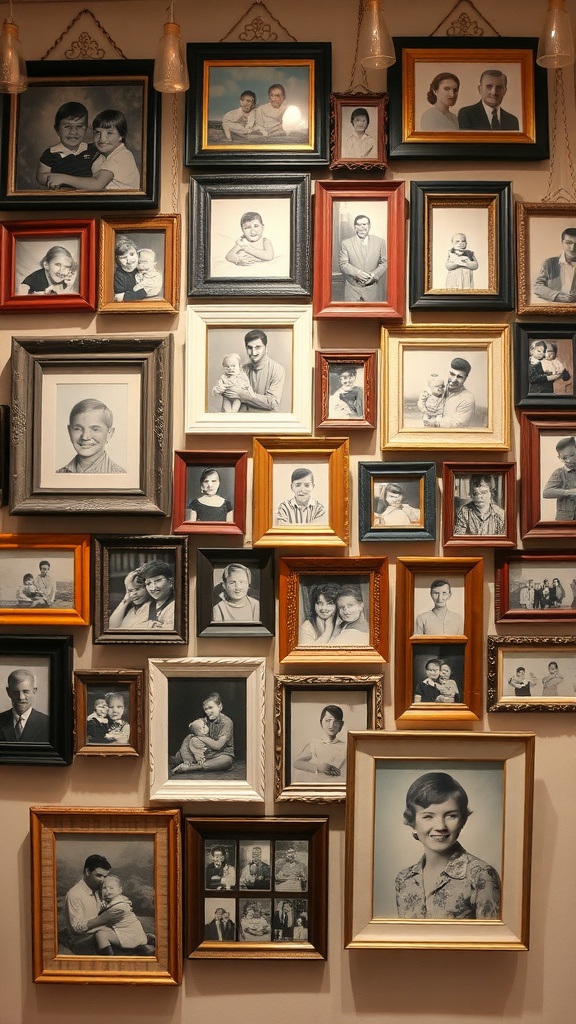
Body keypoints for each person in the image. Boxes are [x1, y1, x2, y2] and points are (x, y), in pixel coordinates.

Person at [395, 772, 501, 919]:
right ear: (412, 823)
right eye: (428, 816)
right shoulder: (404, 880)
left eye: (451, 815)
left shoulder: (480, 875)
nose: (440, 826)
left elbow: (492, 939)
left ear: (462, 821)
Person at [46, 109, 139, 191]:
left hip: (124, 207)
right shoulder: (105, 155)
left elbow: (97, 184)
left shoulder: (121, 156)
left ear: (121, 136)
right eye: (98, 133)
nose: (102, 139)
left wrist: (63, 178)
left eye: (109, 133)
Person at [63, 854, 124, 954]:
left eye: (105, 876)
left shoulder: (100, 889)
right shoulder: (74, 894)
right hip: (84, 941)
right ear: (87, 872)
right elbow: (76, 928)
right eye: (99, 875)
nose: (103, 880)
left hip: (102, 934)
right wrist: (103, 919)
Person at [219, 328, 285, 413]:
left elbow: (273, 403)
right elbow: (229, 394)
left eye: (258, 347)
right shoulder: (242, 369)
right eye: (249, 348)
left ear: (266, 348)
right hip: (243, 420)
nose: (253, 352)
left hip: (268, 421)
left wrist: (244, 395)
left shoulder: (277, 369)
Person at [36, 101, 99, 186]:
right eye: (67, 126)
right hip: (61, 195)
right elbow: (41, 176)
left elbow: (98, 177)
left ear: (86, 128)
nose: (73, 132)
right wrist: (52, 178)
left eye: (79, 126)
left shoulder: (92, 150)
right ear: (57, 129)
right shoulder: (51, 154)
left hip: (87, 194)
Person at [56, 398, 126, 474]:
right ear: (69, 431)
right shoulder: (58, 474)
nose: (85, 437)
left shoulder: (119, 475)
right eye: (78, 429)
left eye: (95, 429)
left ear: (109, 434)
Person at [172, 692, 234, 773]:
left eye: (210, 707)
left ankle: (194, 767)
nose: (208, 711)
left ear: (220, 707)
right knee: (180, 754)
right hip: (204, 753)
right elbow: (193, 730)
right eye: (205, 709)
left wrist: (201, 737)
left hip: (220, 754)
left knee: (226, 761)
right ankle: (189, 762)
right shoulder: (204, 720)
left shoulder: (227, 722)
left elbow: (218, 746)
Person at [92, 874, 149, 955]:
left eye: (111, 888)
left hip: (129, 937)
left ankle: (108, 959)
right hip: (131, 932)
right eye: (104, 888)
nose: (107, 891)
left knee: (101, 934)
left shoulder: (118, 907)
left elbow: (100, 920)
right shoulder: (120, 900)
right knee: (104, 929)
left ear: (120, 890)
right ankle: (147, 938)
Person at [338, 214, 387, 302]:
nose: (362, 227)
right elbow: (343, 264)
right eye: (359, 225)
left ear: (369, 226)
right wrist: (357, 273)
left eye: (364, 224)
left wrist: (374, 275)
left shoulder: (380, 242)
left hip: (372, 290)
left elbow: (385, 263)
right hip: (352, 290)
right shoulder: (346, 243)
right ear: (355, 227)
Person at [293, 704, 346, 779]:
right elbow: (297, 763)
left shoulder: (346, 747)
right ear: (321, 722)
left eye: (336, 721)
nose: (331, 725)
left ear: (341, 724)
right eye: (328, 720)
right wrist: (318, 768)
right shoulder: (314, 744)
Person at [423, 357, 476, 429]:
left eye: (459, 377)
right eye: (452, 374)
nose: (454, 380)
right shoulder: (439, 387)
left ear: (465, 378)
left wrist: (432, 422)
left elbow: (457, 426)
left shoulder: (468, 398)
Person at [0, 668, 49, 742]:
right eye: (16, 692)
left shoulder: (47, 723)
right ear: (8, 692)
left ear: (34, 691)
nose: (21, 697)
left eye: (26, 691)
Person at [533, 228, 576, 304]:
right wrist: (558, 296)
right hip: (553, 309)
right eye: (568, 243)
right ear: (562, 242)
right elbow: (537, 287)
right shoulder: (549, 263)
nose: (572, 248)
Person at [542, 435, 576, 520]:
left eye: (572, 455)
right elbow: (546, 493)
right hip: (565, 521)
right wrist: (569, 492)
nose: (568, 460)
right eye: (564, 458)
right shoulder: (559, 473)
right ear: (559, 458)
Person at [113, 235, 151, 302]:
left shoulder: (141, 267)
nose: (129, 260)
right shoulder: (119, 275)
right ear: (117, 259)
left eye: (132, 254)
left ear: (137, 253)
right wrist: (144, 292)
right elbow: (119, 298)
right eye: (123, 257)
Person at [141, 560, 175, 630]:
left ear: (170, 582)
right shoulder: (146, 606)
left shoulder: (176, 607)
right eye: (148, 583)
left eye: (158, 581)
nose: (153, 588)